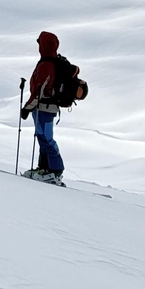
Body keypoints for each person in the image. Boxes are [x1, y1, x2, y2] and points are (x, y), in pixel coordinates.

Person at [20, 30, 83, 183]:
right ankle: (44, 168)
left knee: (46, 138)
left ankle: (55, 169)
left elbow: (39, 91)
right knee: (42, 138)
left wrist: (27, 108)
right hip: (45, 108)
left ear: (43, 45)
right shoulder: (51, 62)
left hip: (44, 108)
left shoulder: (47, 65)